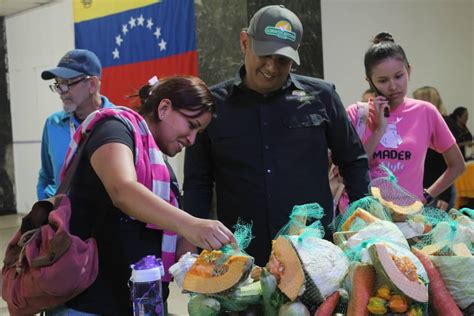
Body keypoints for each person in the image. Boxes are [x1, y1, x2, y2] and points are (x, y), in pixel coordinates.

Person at [183, 5, 370, 266]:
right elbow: (197, 183)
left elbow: (353, 162)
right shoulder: (213, 105)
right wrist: (191, 247)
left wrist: (363, 225)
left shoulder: (323, 97)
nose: (272, 67)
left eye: (282, 59)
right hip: (239, 256)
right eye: (265, 54)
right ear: (244, 42)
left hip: (313, 255)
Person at [45, 76, 235, 315]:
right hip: (91, 304)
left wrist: (201, 265)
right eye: (191, 124)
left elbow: (168, 231)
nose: (192, 139)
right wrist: (192, 224)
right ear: (164, 108)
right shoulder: (114, 128)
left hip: (142, 304)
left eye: (199, 131)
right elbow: (122, 190)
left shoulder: (160, 169)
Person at [346, 32, 465, 206]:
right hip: (365, 218)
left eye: (399, 76)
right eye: (383, 80)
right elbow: (349, 170)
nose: (393, 86)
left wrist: (427, 196)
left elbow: (457, 165)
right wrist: (379, 130)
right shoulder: (357, 114)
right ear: (369, 81)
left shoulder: (426, 112)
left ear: (409, 70)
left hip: (409, 220)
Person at [37, 49, 115, 200]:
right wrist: (47, 207)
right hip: (64, 222)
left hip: (107, 222)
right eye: (58, 85)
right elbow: (46, 177)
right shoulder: (53, 124)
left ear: (92, 84)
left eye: (67, 83)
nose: (61, 92)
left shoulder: (119, 123)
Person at [413, 86, 454, 210]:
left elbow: (448, 163)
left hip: (437, 189)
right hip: (424, 187)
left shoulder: (444, 123)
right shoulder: (420, 123)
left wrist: (444, 196)